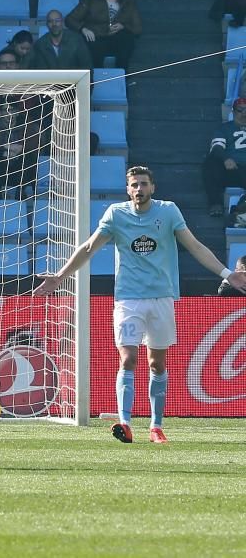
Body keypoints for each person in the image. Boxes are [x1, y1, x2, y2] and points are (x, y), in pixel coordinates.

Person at [34, 166, 246, 444]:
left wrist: (226, 274)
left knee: (157, 364)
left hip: (161, 297)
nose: (139, 189)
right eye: (134, 185)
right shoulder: (116, 214)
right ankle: (125, 422)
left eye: (143, 184)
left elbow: (194, 246)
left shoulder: (168, 211)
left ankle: (156, 427)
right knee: (128, 359)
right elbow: (88, 248)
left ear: (153, 188)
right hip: (128, 298)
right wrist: (60, 277)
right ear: (127, 189)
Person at [65, 0, 141, 70]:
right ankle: (95, 78)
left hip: (118, 41)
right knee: (92, 45)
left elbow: (137, 28)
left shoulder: (128, 1)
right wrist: (83, 29)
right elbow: (70, 19)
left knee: (126, 37)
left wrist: (123, 26)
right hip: (96, 37)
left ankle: (121, 77)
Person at [202, 98, 246, 217]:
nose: (244, 114)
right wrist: (226, 158)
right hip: (234, 169)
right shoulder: (225, 128)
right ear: (233, 112)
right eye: (240, 110)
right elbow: (216, 147)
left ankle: (242, 207)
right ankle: (215, 204)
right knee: (211, 162)